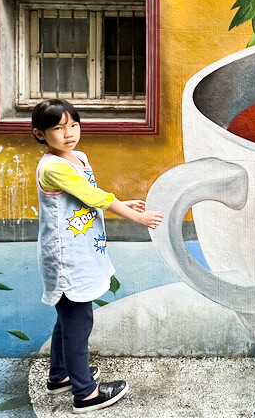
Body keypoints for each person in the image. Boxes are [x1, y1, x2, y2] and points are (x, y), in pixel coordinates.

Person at [31, 99, 163, 413]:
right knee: (78, 324)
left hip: (83, 250)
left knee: (68, 319)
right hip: (66, 257)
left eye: (73, 125)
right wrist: (137, 218)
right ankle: (86, 394)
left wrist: (123, 203)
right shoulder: (52, 167)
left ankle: (60, 375)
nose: (68, 134)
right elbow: (96, 197)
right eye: (58, 128)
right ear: (40, 134)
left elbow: (90, 197)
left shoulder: (77, 157)